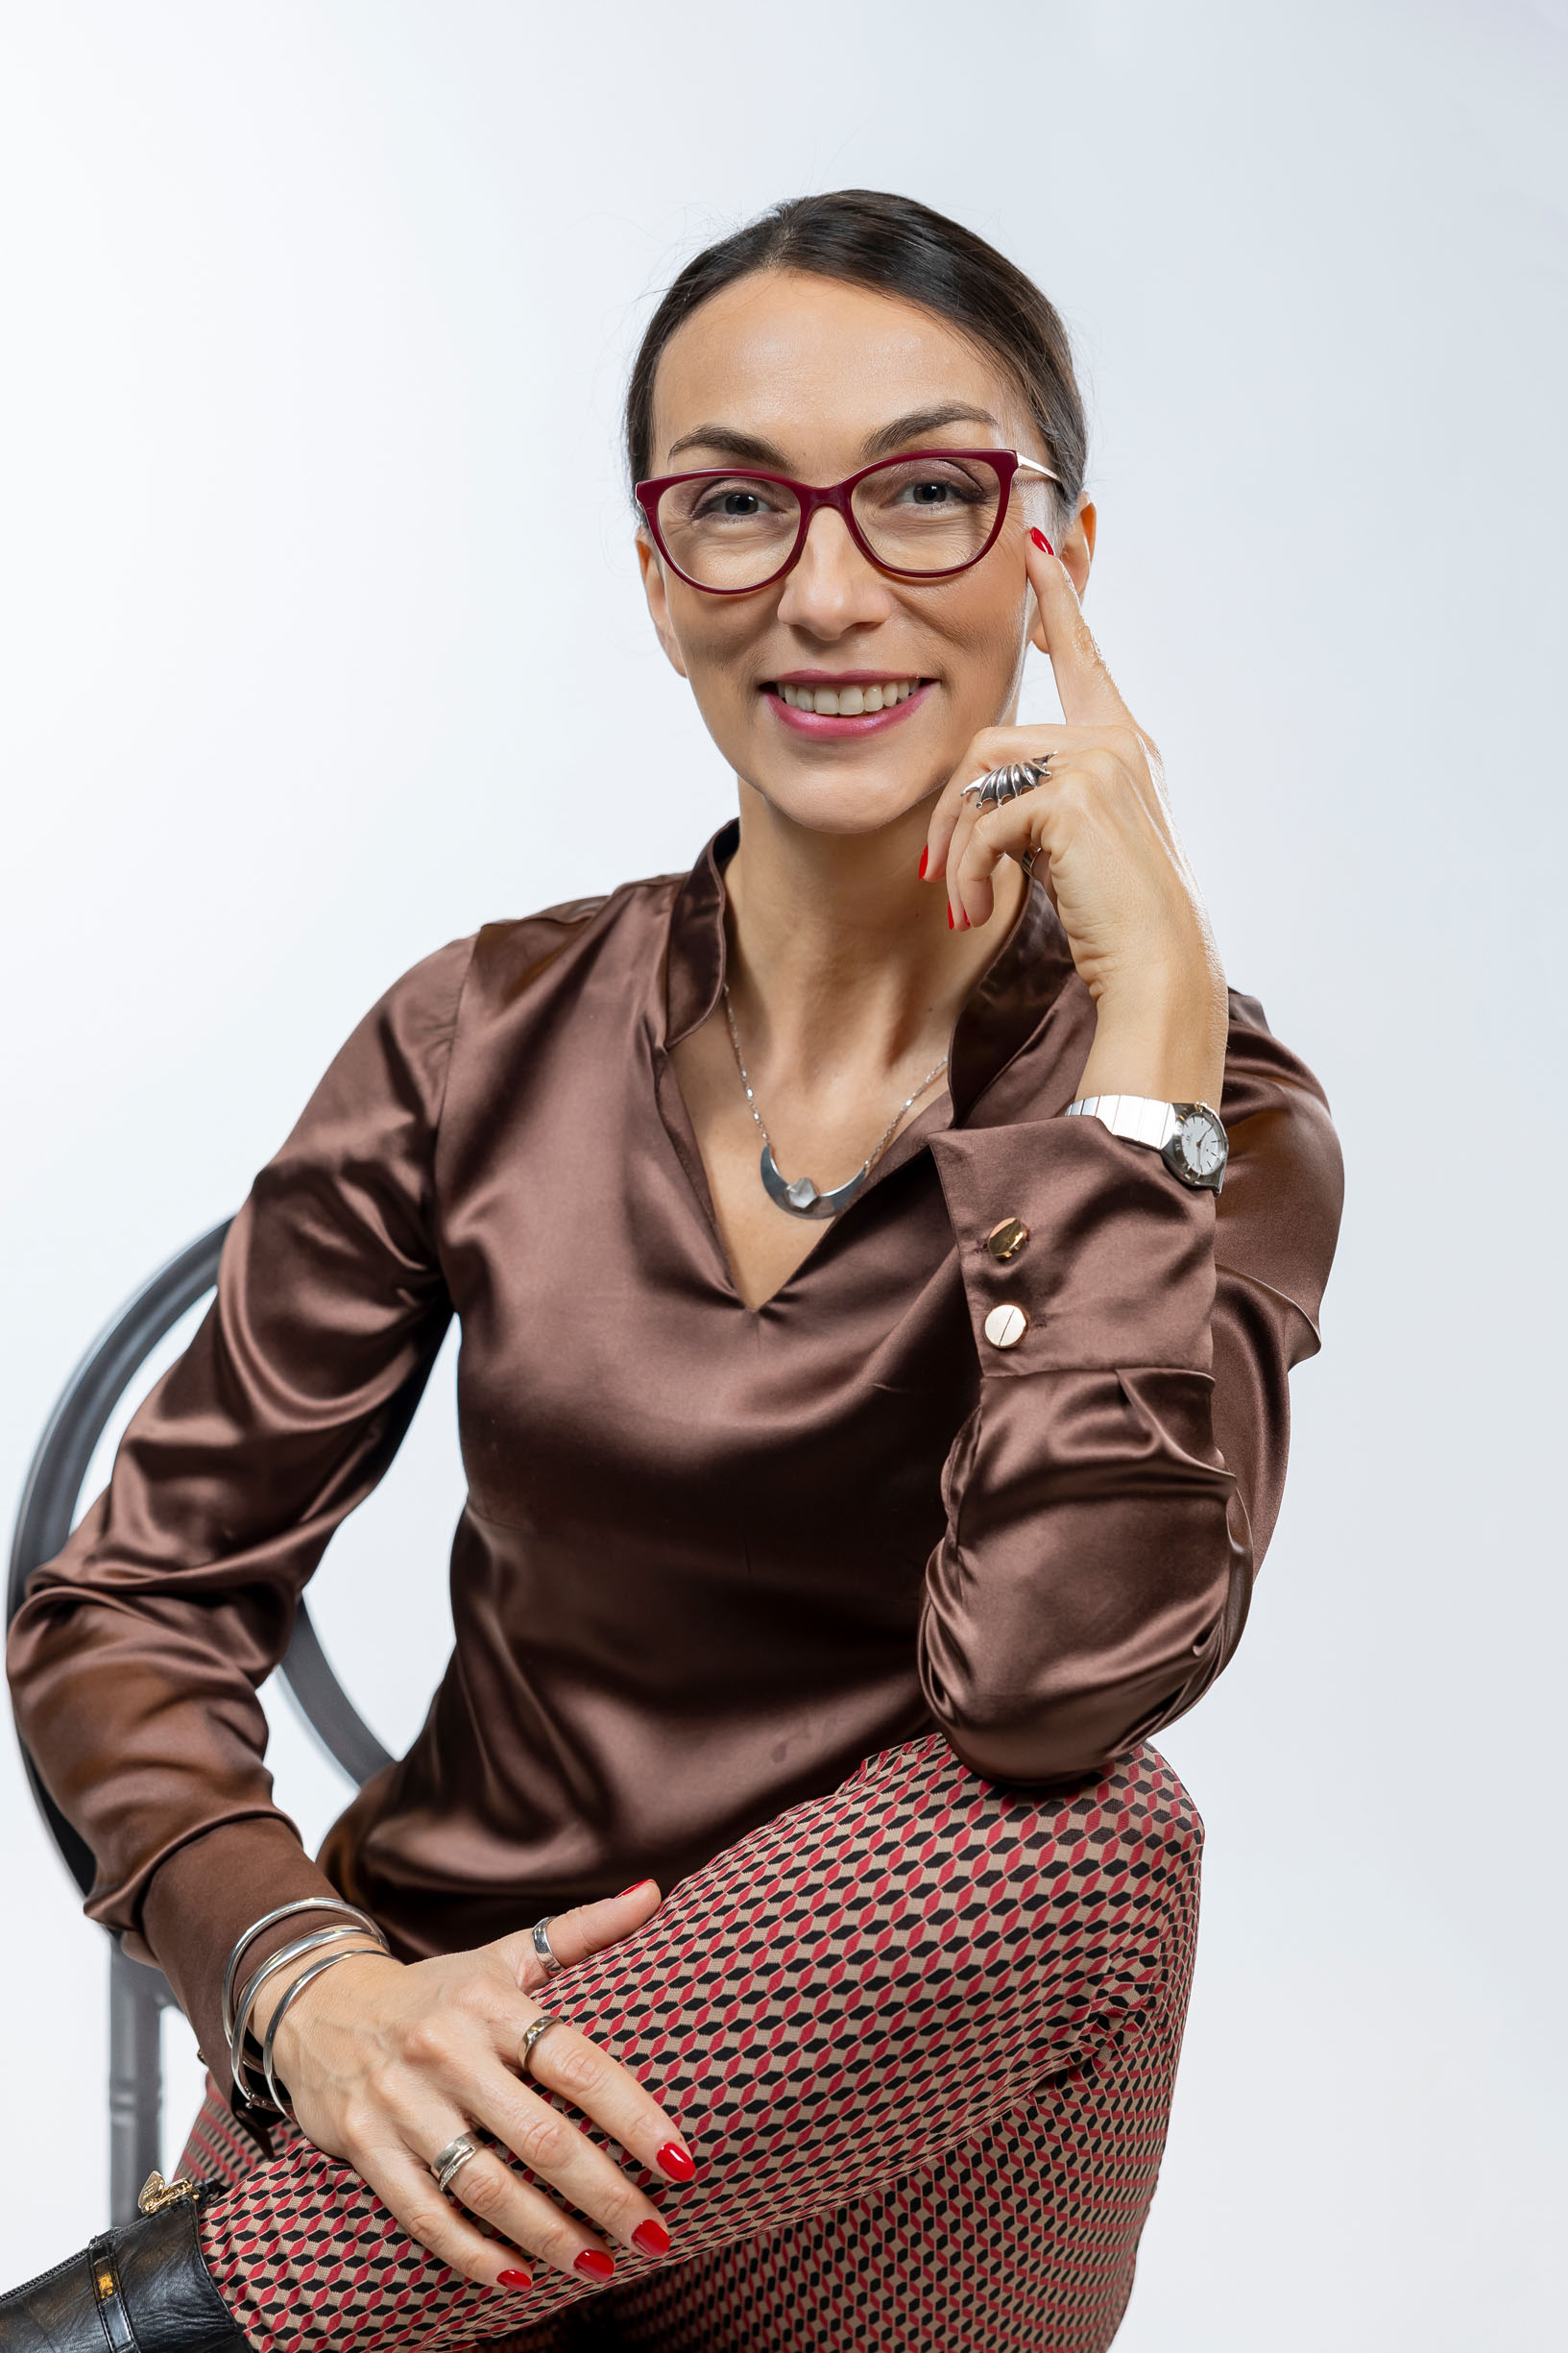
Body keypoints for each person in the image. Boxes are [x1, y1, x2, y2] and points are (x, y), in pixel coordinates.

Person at [4, 189, 1342, 2353]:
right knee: (421, 2073)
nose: (825, 588)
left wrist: (1144, 1035)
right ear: (655, 577)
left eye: (926, 492)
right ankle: (268, 2274)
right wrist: (305, 1980)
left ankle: (138, 2329)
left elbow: (1047, 1690)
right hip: (422, 2084)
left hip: (889, 2184)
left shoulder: (1213, 1113)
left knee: (1097, 1843)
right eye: (734, 505)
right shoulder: (484, 1031)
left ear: (1058, 557)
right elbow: (131, 1606)